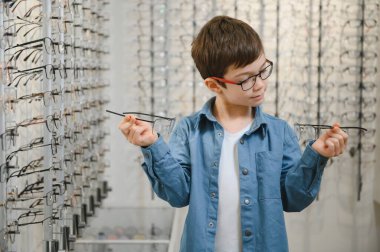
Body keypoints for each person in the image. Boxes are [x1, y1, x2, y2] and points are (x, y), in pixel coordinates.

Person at [118, 16, 348, 252]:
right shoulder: (189, 130)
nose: (259, 84)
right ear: (214, 85)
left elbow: (293, 199)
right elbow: (178, 195)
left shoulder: (279, 132)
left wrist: (317, 156)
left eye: (262, 71)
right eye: (246, 79)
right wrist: (151, 145)